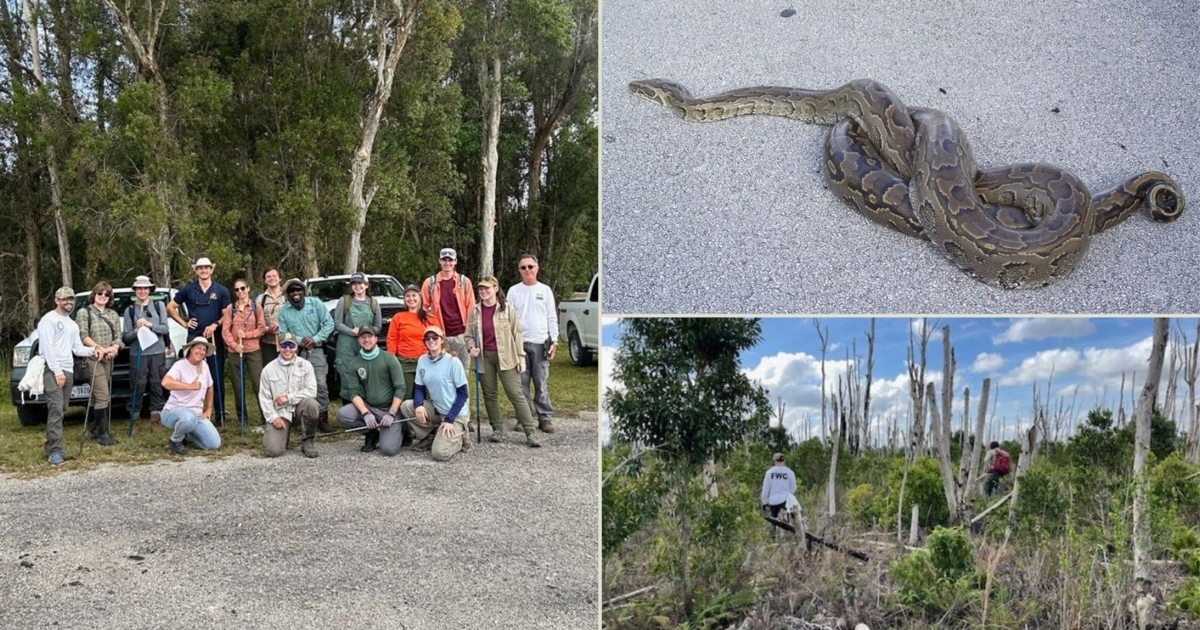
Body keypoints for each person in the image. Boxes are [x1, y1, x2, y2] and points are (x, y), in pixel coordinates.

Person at [466, 277, 540, 448]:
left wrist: (521, 358)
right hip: (484, 358)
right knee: (490, 395)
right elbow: (468, 335)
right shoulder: (475, 311)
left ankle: (530, 432)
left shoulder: (507, 309)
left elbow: (517, 334)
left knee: (515, 393)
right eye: (481, 289)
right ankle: (497, 429)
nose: (484, 292)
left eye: (487, 288)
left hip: (506, 356)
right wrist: (471, 347)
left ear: (496, 288)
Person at [37, 287, 100, 466]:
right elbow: (48, 348)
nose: (69, 302)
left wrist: (93, 350)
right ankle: (55, 451)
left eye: (71, 299)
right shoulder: (48, 320)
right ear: (56, 300)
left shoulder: (72, 324)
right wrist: (57, 371)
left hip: (68, 370)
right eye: (65, 299)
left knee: (62, 409)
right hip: (53, 370)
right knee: (56, 408)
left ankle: (52, 444)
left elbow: (76, 348)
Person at [168, 257, 231, 424]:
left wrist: (216, 324)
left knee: (216, 376)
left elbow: (227, 314)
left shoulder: (221, 290)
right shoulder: (188, 289)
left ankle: (220, 415)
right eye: (200, 268)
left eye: (206, 268)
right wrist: (184, 322)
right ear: (196, 270)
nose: (203, 271)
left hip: (214, 339)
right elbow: (170, 307)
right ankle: (191, 413)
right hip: (194, 338)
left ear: (211, 270)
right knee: (190, 376)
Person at [399, 326, 471, 462]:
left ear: (442, 340)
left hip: (455, 414)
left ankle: (461, 438)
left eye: (435, 337)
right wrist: (419, 405)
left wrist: (450, 419)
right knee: (407, 406)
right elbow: (419, 387)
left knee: (439, 454)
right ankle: (430, 435)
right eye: (428, 338)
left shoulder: (453, 362)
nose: (431, 340)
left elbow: (463, 394)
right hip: (438, 410)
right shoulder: (422, 360)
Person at [335, 326, 408, 456]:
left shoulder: (389, 358)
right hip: (370, 406)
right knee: (343, 414)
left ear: (376, 339)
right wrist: (366, 413)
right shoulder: (355, 363)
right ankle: (372, 433)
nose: (366, 340)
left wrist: (391, 413)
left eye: (370, 337)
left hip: (390, 410)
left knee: (388, 450)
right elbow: (354, 392)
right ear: (358, 340)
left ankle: (403, 429)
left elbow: (400, 388)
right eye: (363, 337)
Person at [507, 254, 559, 433]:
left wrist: (555, 340)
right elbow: (508, 318)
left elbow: (552, 316)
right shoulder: (514, 291)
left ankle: (545, 418)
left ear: (537, 268)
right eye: (523, 267)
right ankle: (524, 418)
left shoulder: (545, 290)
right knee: (521, 384)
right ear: (519, 271)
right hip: (519, 344)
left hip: (541, 342)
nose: (527, 270)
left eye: (530, 266)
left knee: (541, 382)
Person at [276, 278, 335, 430]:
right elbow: (283, 333)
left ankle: (322, 418)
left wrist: (315, 339)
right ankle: (302, 419)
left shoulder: (316, 304)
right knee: (298, 385)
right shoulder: (284, 311)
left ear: (303, 291)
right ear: (287, 295)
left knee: (320, 384)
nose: (295, 293)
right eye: (291, 291)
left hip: (316, 350)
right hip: (296, 352)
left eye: (298, 290)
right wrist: (301, 340)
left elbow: (329, 323)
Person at [76, 281, 125, 446]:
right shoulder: (84, 312)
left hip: (109, 359)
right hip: (92, 358)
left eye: (106, 294)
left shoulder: (113, 314)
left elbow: (119, 335)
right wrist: (100, 349)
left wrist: (115, 348)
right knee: (103, 395)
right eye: (100, 294)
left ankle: (93, 428)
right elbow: (83, 335)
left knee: (96, 396)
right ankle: (103, 434)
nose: (103, 297)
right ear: (94, 295)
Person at [258, 332, 321, 458]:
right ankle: (283, 435)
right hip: (281, 414)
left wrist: (288, 398)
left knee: (312, 404)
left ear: (296, 347)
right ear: (278, 347)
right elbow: (264, 398)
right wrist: (274, 417)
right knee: (273, 451)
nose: (287, 349)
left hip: (299, 409)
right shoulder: (268, 370)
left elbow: (312, 391)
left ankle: (307, 441)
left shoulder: (306, 365)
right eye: (284, 345)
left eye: (291, 345)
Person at [160, 337, 223, 455]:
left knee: (214, 444)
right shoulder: (179, 365)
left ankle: (187, 434)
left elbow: (210, 386)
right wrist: (189, 386)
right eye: (199, 348)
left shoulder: (204, 366)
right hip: (173, 410)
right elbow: (165, 382)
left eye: (204, 350)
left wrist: (209, 408)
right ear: (190, 349)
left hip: (197, 413)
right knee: (188, 418)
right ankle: (175, 441)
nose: (201, 352)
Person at [122, 275, 170, 422]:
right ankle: (134, 416)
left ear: (150, 290)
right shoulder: (129, 310)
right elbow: (126, 338)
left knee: (156, 383)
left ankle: (156, 415)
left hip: (157, 351)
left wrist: (150, 325)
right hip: (138, 353)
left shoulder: (159, 306)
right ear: (135, 290)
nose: (142, 291)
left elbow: (165, 329)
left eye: (145, 288)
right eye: (139, 288)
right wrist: (136, 331)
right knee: (138, 384)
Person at [419, 248, 474, 375]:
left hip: (462, 334)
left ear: (455, 262)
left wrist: (470, 332)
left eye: (450, 260)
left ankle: (463, 395)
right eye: (444, 260)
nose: (447, 263)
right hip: (440, 335)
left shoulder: (464, 282)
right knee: (442, 371)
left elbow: (470, 307)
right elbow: (423, 309)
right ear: (439, 261)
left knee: (462, 371)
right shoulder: (430, 283)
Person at [221, 278, 268, 429]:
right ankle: (243, 420)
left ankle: (266, 417)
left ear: (248, 288)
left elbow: (262, 328)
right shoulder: (230, 309)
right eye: (237, 290)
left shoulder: (256, 307)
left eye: (243, 288)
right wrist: (234, 344)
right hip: (235, 351)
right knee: (238, 385)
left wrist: (246, 336)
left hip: (253, 349)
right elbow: (225, 330)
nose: (240, 292)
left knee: (258, 384)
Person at [387, 284, 441, 400]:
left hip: (427, 360)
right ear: (404, 299)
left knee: (429, 392)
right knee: (406, 392)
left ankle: (427, 416)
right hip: (405, 361)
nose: (411, 298)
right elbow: (392, 339)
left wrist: (437, 357)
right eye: (407, 296)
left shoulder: (430, 318)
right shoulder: (398, 317)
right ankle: (408, 416)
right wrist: (392, 359)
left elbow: (439, 338)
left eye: (414, 295)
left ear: (420, 297)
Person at [333, 272, 382, 398]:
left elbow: (378, 327)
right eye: (354, 283)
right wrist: (351, 331)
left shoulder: (374, 303)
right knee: (347, 375)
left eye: (360, 283)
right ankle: (348, 409)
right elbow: (337, 323)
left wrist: (366, 332)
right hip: (346, 345)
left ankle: (368, 407)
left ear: (366, 285)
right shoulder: (344, 301)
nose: (357, 286)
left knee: (368, 375)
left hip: (366, 345)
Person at [256, 268, 286, 365]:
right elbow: (257, 322)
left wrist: (282, 327)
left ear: (280, 278)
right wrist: (268, 329)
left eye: (274, 276)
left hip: (287, 341)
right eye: (268, 276)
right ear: (265, 280)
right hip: (268, 343)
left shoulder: (287, 296)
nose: (271, 278)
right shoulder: (261, 299)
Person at [760, 452, 797, 519]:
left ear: (774, 461)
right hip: (786, 501)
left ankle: (774, 527)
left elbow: (765, 489)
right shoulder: (790, 472)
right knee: (787, 520)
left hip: (773, 502)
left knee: (774, 521)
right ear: (784, 461)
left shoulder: (769, 472)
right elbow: (793, 488)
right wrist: (789, 495)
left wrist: (765, 501)